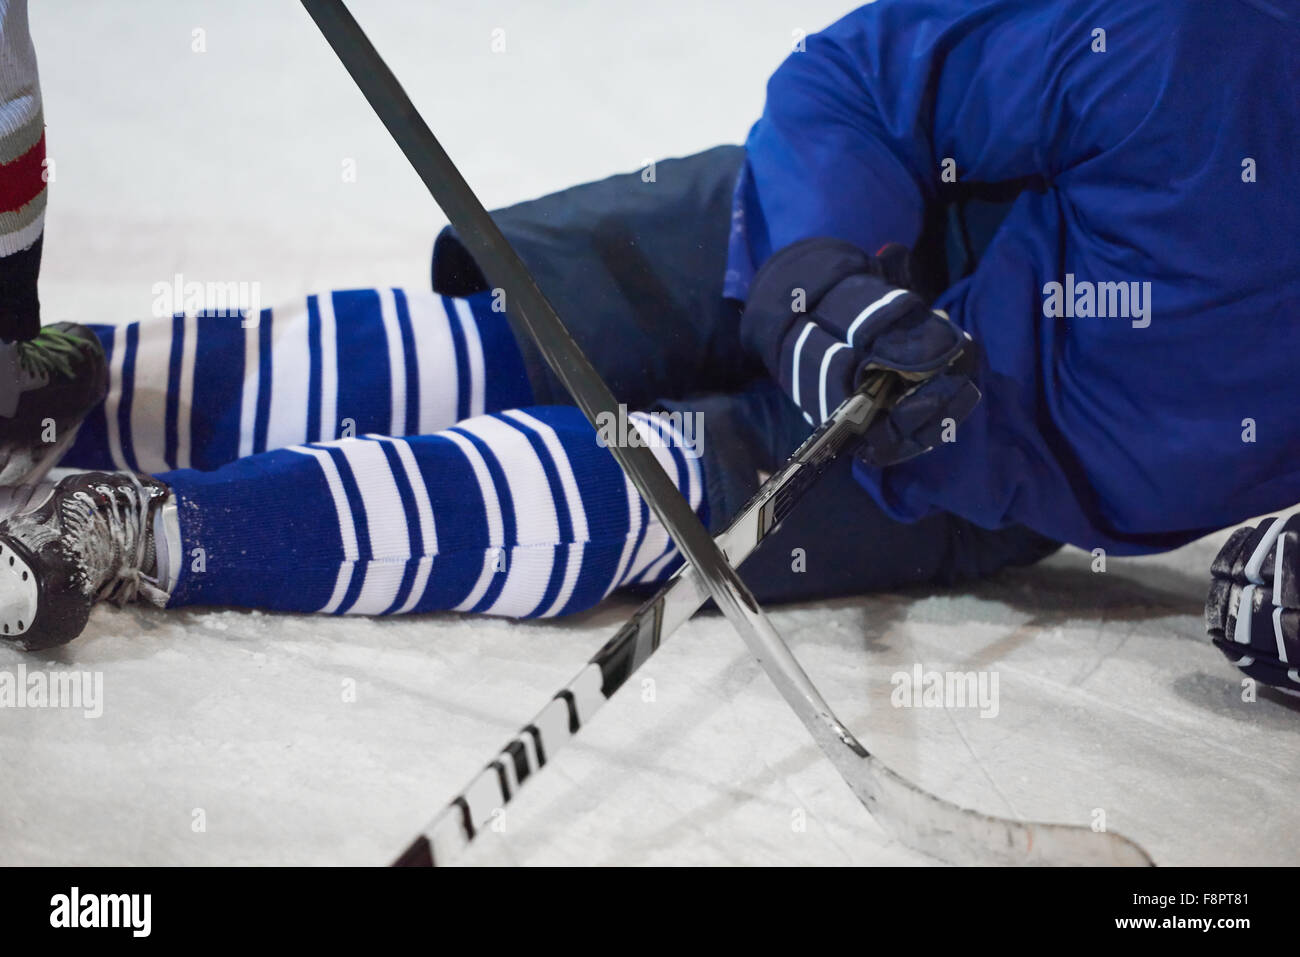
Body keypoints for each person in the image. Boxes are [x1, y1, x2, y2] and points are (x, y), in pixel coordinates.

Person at [0, 0, 1295, 699]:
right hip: (800, 237)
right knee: (502, 342)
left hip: (962, 477)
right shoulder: (1205, 42)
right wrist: (815, 274)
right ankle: (45, 384)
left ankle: (143, 528)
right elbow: (857, 80)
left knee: (642, 493)